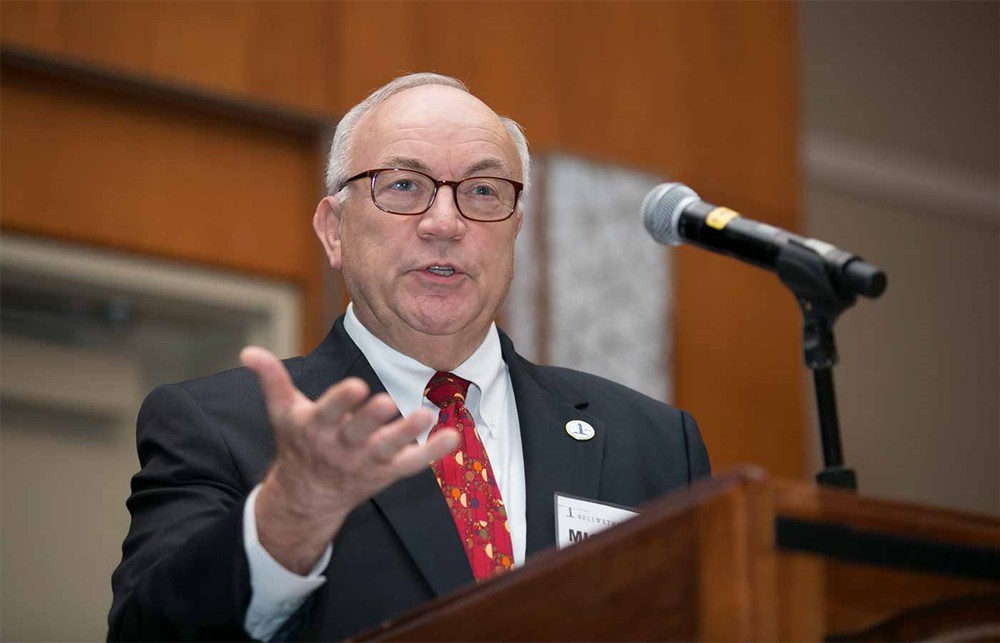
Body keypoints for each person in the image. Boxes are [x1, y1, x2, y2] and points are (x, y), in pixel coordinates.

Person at [108, 73, 711, 642]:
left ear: (514, 230)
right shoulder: (219, 424)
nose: (445, 223)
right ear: (334, 230)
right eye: (403, 185)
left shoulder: (654, 441)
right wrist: (286, 522)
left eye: (481, 191)